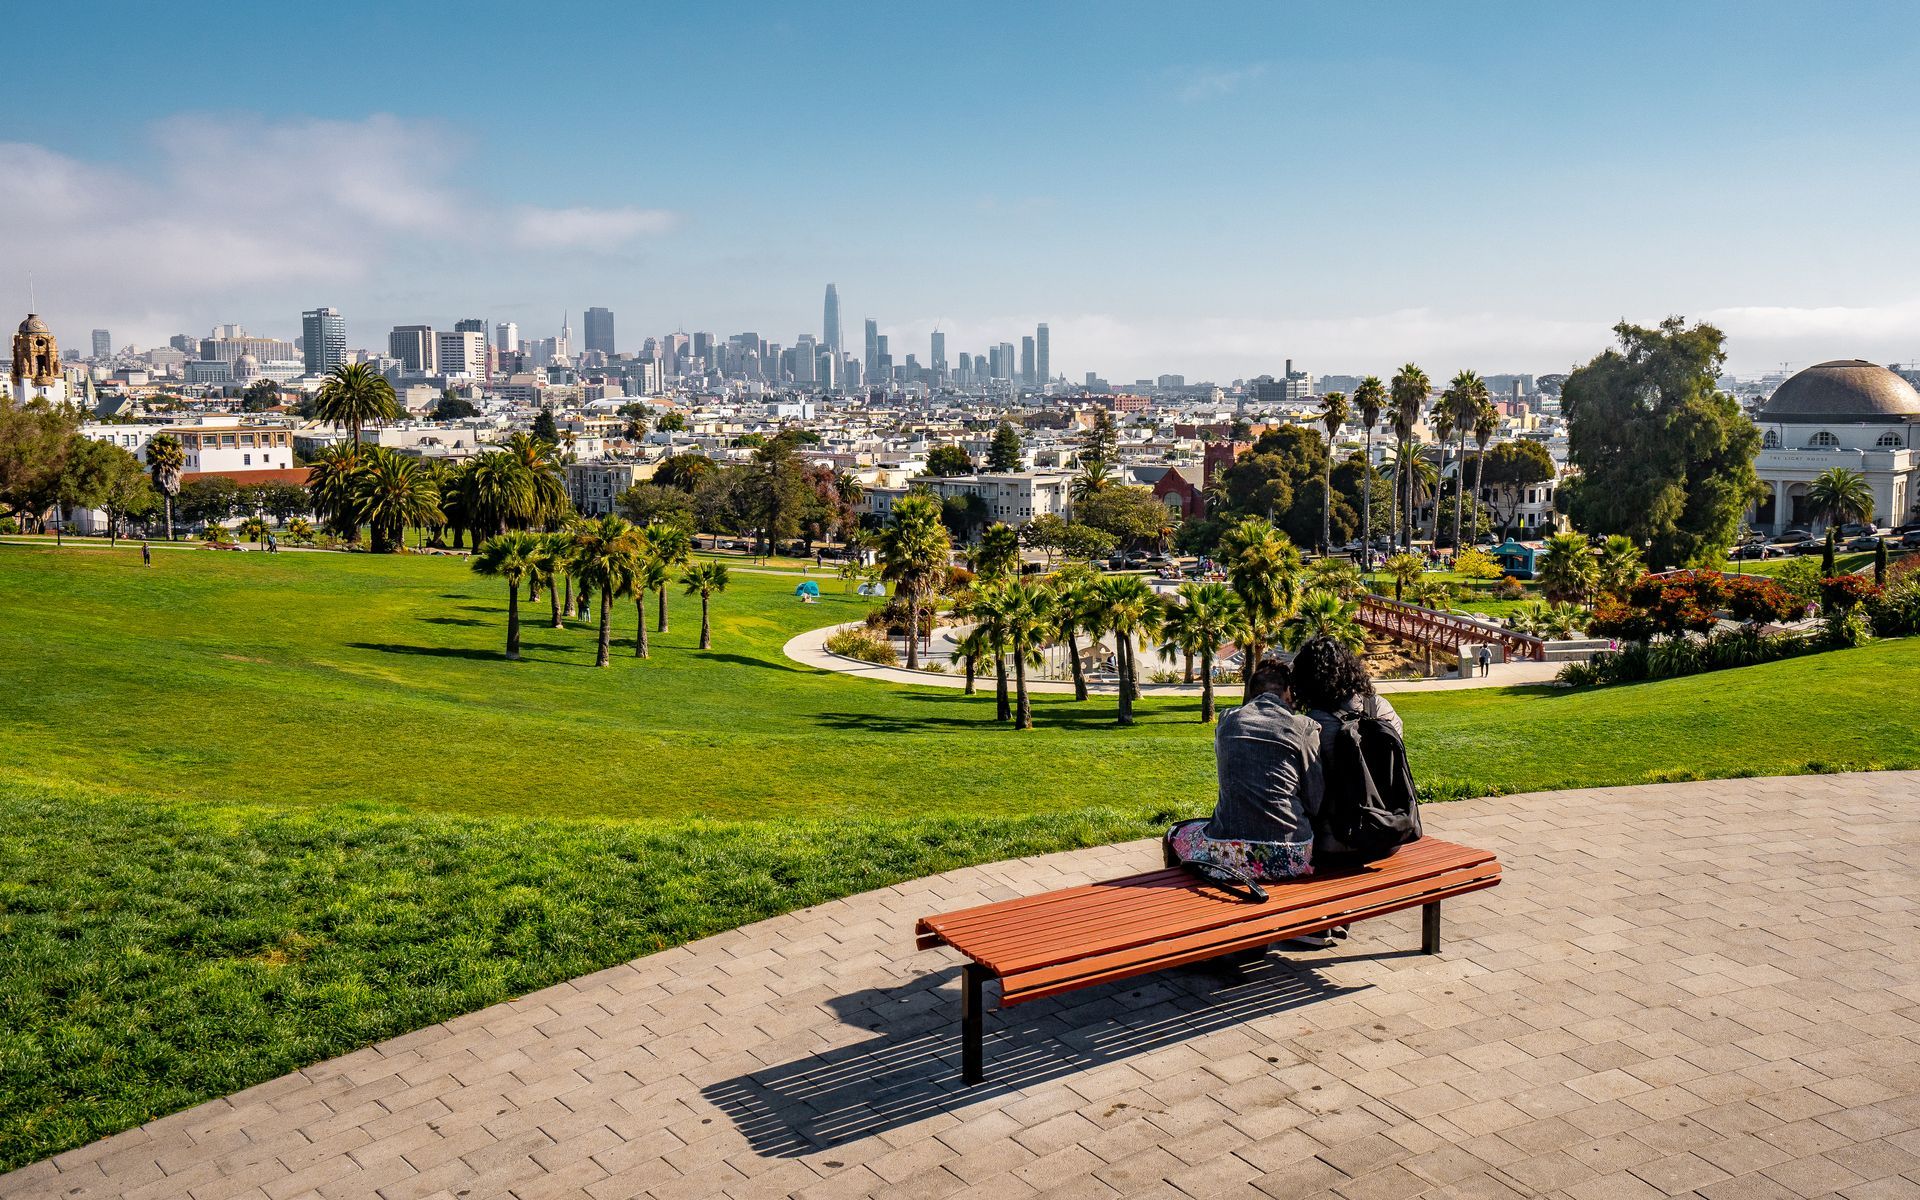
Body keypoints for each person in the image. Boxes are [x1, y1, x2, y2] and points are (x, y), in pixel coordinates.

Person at [1166, 657, 1321, 884]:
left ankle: (1183, 905)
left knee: (1176, 832)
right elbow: (1314, 800)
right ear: (1287, 691)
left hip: (1227, 854)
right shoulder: (1303, 727)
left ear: (1252, 692)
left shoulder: (1227, 721)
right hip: (1292, 855)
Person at [1293, 635, 1405, 942]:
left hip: (1336, 845)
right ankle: (1337, 912)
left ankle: (1316, 920)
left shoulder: (1309, 725)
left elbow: (1310, 799)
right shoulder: (1381, 708)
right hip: (1388, 834)